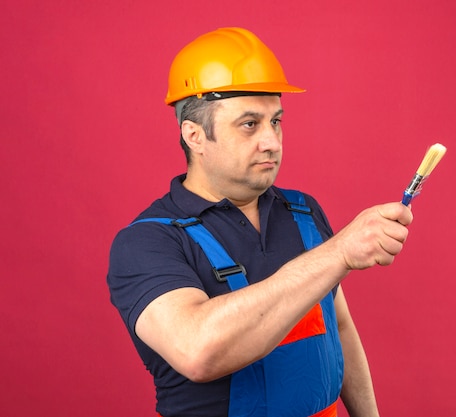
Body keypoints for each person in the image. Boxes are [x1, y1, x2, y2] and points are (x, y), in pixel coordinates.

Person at [107, 27, 413, 417]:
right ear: (195, 135)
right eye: (250, 124)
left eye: (276, 121)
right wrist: (337, 252)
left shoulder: (302, 211)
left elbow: (340, 326)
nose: (272, 141)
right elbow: (198, 350)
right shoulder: (148, 242)